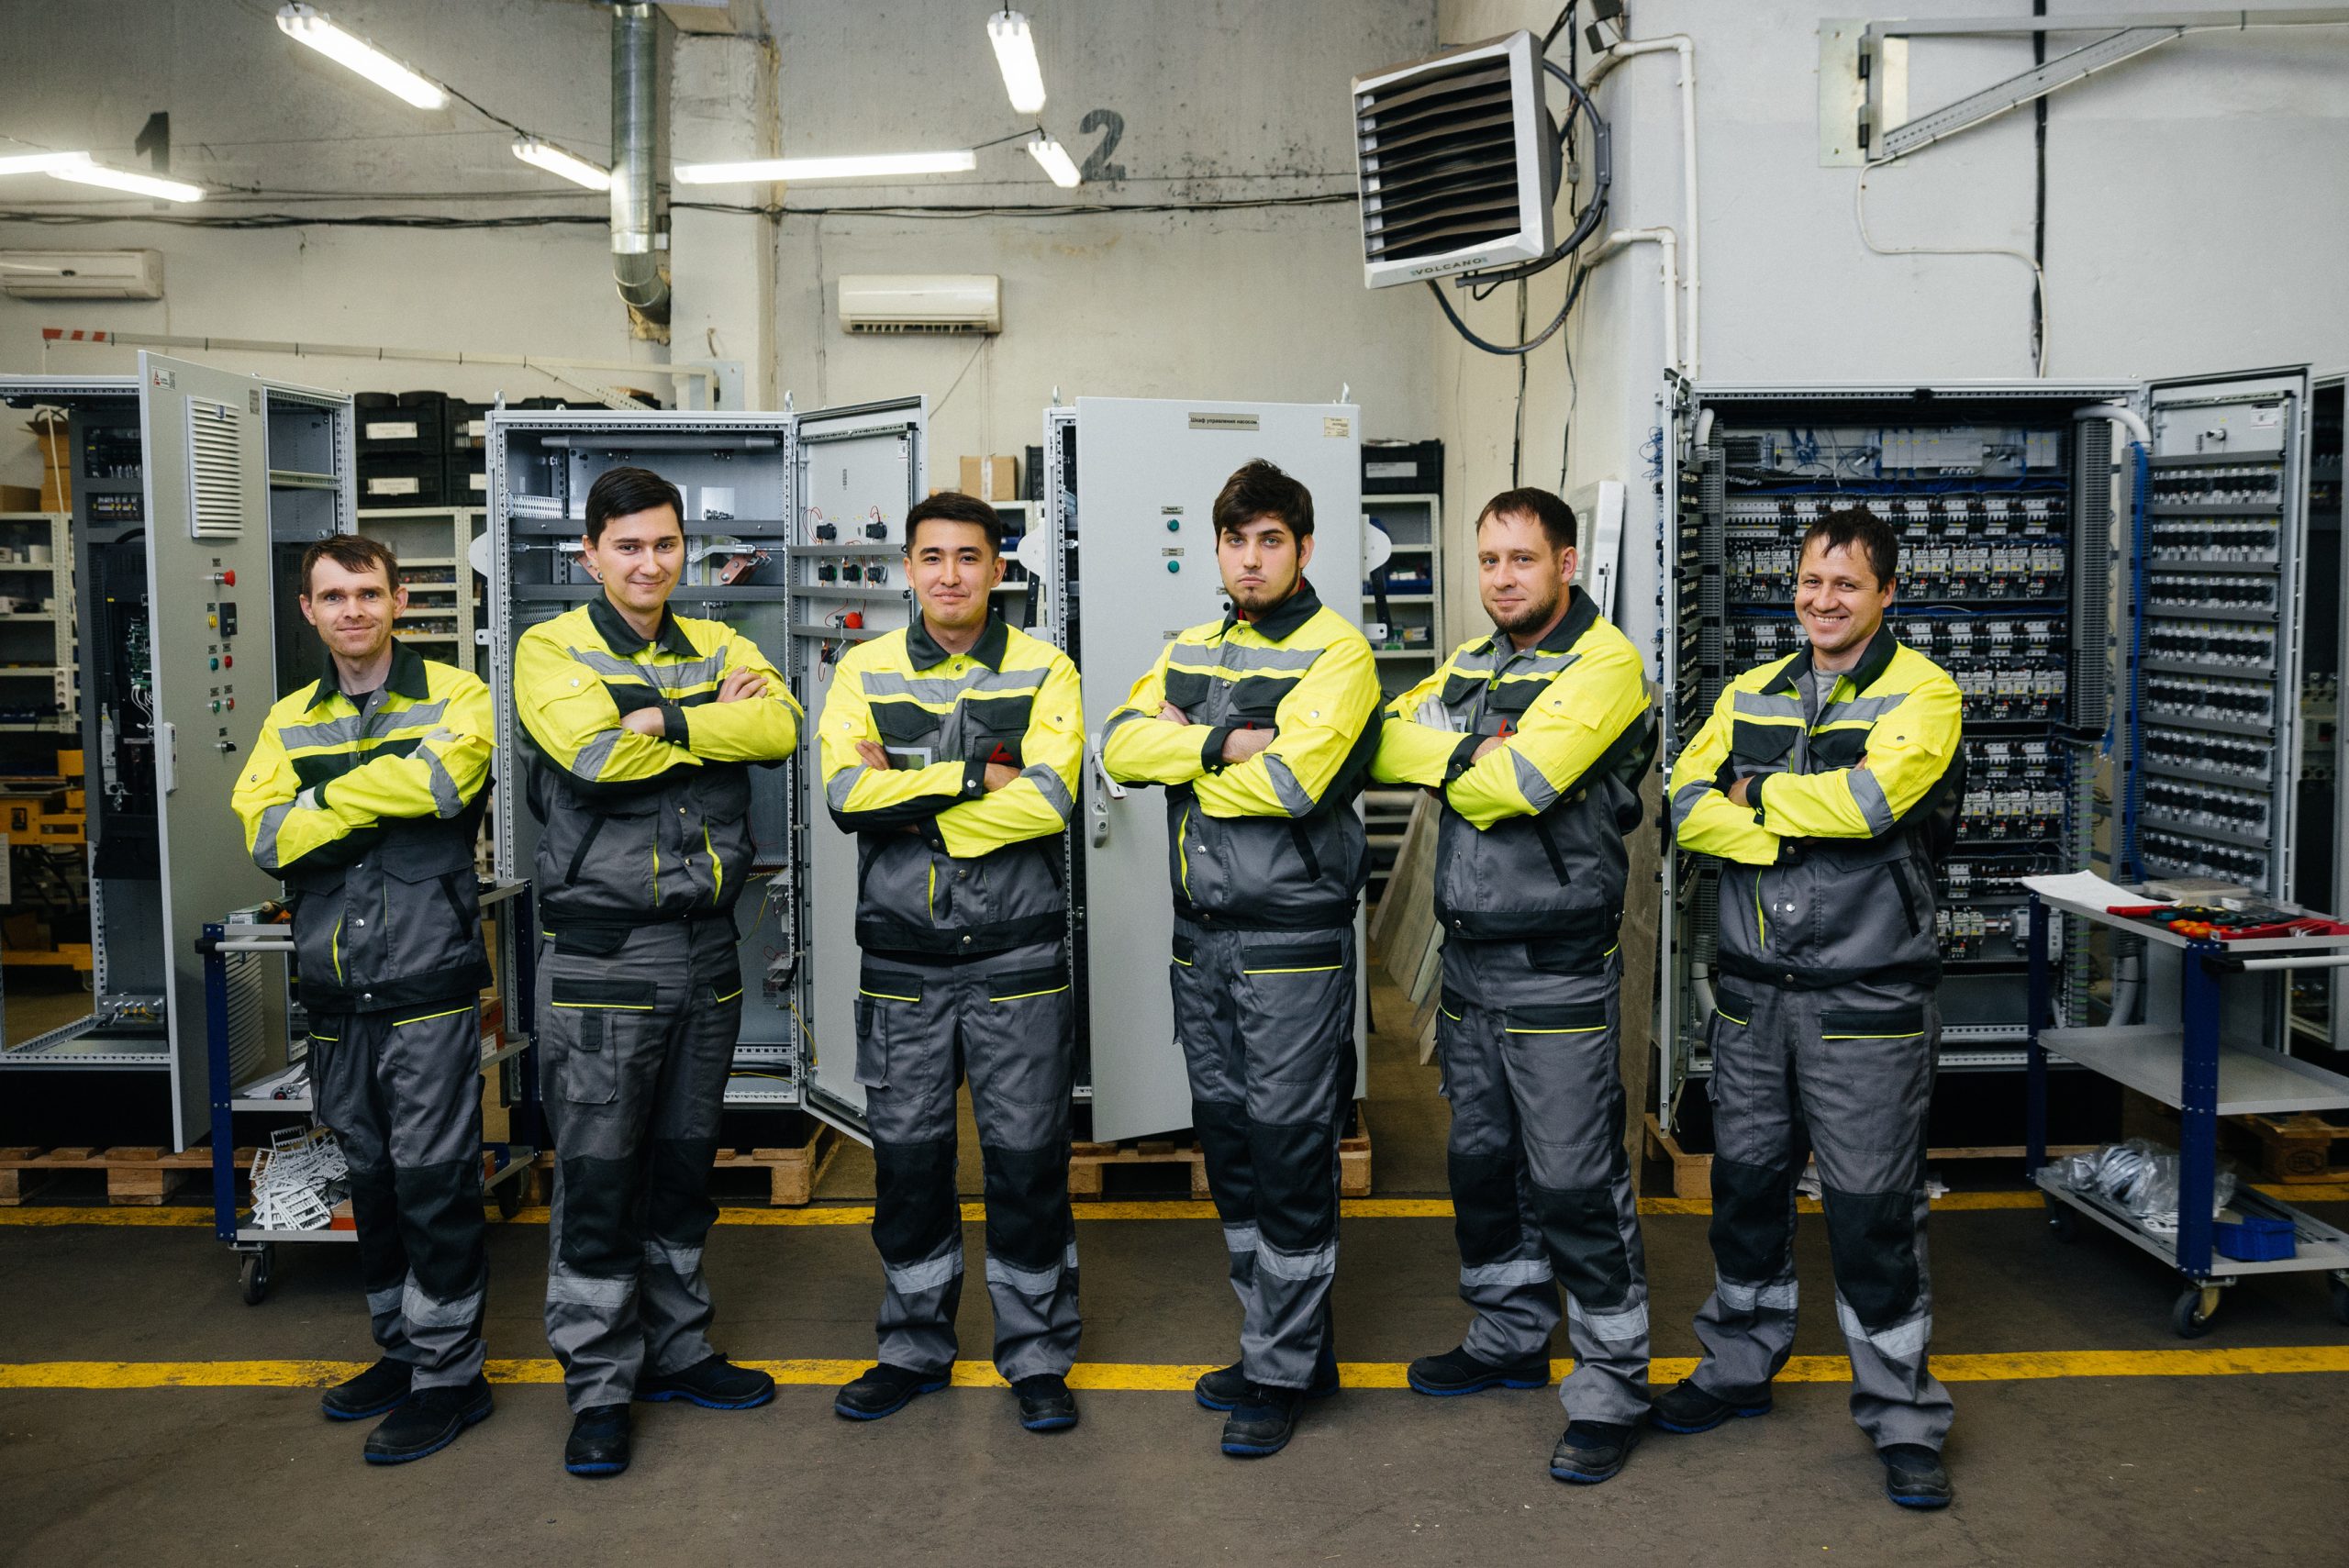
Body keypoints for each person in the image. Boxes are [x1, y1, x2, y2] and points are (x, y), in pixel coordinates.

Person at [1664, 504, 1965, 1509]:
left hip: (1865, 1000)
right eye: (1809, 580)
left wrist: (1752, 799)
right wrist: (1785, 815)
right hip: (1754, 996)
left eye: (1845, 583)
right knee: (1745, 1191)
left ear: (1887, 592)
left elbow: (1872, 805)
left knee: (1873, 1213)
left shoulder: (1925, 693)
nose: (1822, 600)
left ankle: (1903, 1415)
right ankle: (1738, 1362)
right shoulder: (1750, 689)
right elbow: (1685, 804)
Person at [513, 464, 801, 1478]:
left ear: (685, 548)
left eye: (665, 543)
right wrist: (706, 719)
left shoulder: (720, 641)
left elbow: (779, 727)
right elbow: (590, 757)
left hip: (705, 948)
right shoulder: (551, 646)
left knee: (683, 1166)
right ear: (590, 554)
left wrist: (662, 719)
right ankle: (599, 1383)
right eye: (628, 545)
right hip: (605, 952)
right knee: (599, 1174)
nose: (649, 562)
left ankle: (676, 1349)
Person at [1370, 487, 1658, 1485]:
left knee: (1577, 1182)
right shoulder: (1471, 662)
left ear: (1566, 563)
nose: (1501, 578)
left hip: (1557, 968)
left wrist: (1468, 762)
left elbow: (1519, 786)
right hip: (1471, 964)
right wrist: (1469, 750)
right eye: (1489, 559)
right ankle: (1507, 1332)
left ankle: (1612, 1387)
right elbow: (1382, 739)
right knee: (1484, 1165)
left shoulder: (1604, 665)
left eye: (1522, 559)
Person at [1101, 459, 1381, 1459]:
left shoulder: (1338, 652)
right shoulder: (1190, 646)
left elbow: (1297, 783)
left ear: (1303, 548)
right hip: (1203, 942)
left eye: (1270, 540)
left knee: (1290, 1154)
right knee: (1231, 1152)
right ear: (1217, 550)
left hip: (1290, 946)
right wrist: (1229, 744)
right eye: (1235, 540)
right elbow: (1118, 747)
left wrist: (1187, 748)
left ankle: (1279, 1370)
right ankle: (1288, 1344)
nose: (1251, 558)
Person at [818, 491, 1087, 1434]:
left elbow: (1049, 801)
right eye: (931, 557)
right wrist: (975, 776)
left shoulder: (1046, 667)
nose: (949, 575)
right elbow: (845, 794)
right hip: (903, 962)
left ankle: (1037, 1355)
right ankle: (912, 1347)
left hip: (1019, 958)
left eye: (969, 557)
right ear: (907, 569)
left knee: (1027, 1163)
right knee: (909, 1166)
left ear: (998, 569)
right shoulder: (864, 667)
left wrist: (910, 790)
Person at [232, 535, 497, 1465]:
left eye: (369, 592)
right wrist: (379, 798)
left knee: (435, 1180)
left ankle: (452, 1376)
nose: (353, 609)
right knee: (373, 1177)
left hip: (426, 980)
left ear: (399, 600)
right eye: (334, 595)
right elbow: (266, 837)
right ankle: (402, 1349)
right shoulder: (287, 717)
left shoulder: (457, 696)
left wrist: (323, 804)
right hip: (337, 988)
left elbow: (444, 781)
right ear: (309, 610)